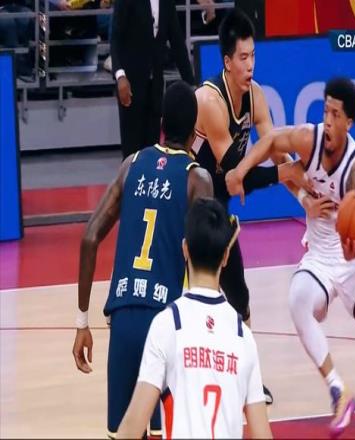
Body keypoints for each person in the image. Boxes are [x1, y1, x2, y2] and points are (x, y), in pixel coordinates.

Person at [226, 77, 355, 439]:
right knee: (297, 302)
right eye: (326, 111)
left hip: (353, 262)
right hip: (319, 256)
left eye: (336, 115)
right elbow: (271, 141)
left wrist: (352, 241)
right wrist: (241, 172)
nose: (329, 121)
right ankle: (339, 390)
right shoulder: (310, 139)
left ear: (349, 122)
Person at [72, 81, 213, 438]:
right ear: (195, 131)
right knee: (167, 430)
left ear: (162, 123)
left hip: (123, 315)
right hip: (165, 320)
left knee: (122, 433)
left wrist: (82, 322)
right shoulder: (197, 179)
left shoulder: (131, 165)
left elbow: (89, 239)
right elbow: (206, 254)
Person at [192, 8, 309, 404]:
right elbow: (234, 175)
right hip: (190, 204)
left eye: (253, 55)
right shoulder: (210, 101)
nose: (250, 65)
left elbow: (274, 150)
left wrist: (305, 199)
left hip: (218, 204)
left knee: (239, 298)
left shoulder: (256, 95)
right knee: (189, 301)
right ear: (227, 61)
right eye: (243, 57)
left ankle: (248, 381)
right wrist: (287, 173)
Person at [116, 198, 272, 439]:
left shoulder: (168, 324)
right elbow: (263, 435)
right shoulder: (243, 335)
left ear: (185, 249)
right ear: (226, 256)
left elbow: (132, 427)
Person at [111, 0, 195, 159]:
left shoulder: (167, 3)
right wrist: (120, 76)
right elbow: (115, 39)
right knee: (131, 150)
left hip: (155, 85)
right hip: (130, 85)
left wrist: (192, 84)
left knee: (152, 148)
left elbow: (177, 42)